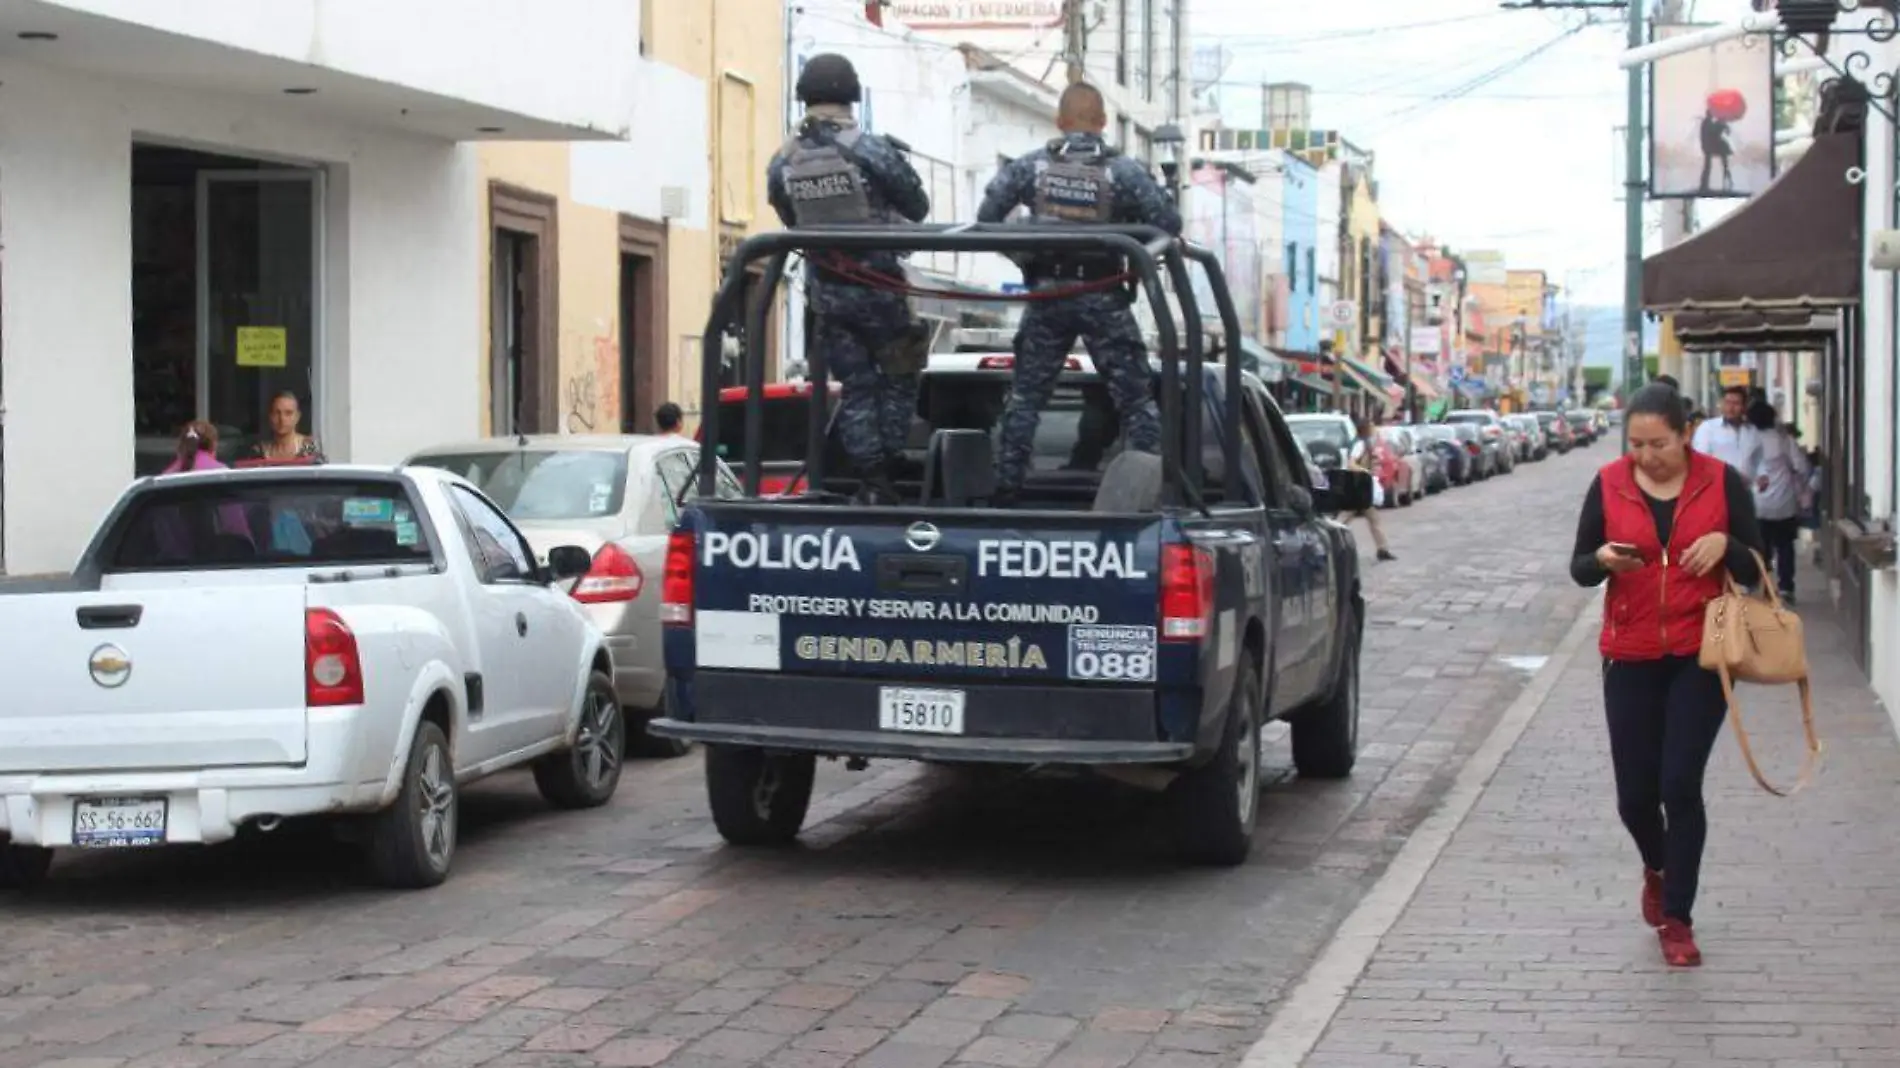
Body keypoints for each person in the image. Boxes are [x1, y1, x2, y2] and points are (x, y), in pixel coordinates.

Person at [1569, 383, 1766, 968]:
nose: (1646, 455)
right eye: (1636, 444)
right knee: (1635, 798)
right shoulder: (1608, 482)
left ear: (1685, 433)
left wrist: (1724, 543)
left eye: (1658, 443)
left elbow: (1756, 565)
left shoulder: (1721, 480)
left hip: (1699, 653)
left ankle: (1678, 918)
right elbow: (1579, 568)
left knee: (1679, 786)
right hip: (1628, 654)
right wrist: (1603, 560)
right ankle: (1657, 867)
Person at [977, 81, 1179, 505]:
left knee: (1027, 398)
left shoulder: (1031, 167)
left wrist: (1026, 256)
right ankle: (1150, 491)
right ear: (1104, 123)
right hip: (1103, 293)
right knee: (1135, 401)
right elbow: (1167, 222)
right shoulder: (1123, 172)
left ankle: (1005, 490)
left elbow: (987, 218)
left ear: (1061, 121)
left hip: (1047, 294)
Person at [766, 53, 930, 504]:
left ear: (805, 99)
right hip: (882, 290)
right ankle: (888, 468)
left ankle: (872, 477)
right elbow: (918, 206)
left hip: (829, 295)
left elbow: (787, 215)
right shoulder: (870, 148)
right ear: (851, 98)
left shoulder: (784, 160)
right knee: (899, 377)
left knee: (856, 386)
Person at [1748, 400, 1811, 604]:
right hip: (1784, 503)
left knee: (1761, 547)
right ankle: (1786, 586)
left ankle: (1763, 584)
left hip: (1757, 504)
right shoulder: (1783, 440)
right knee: (1785, 546)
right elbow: (1802, 467)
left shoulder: (1748, 440)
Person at [1691, 385, 1764, 488]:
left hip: (1745, 491)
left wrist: (1762, 474)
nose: (1731, 408)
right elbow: (1700, 459)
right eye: (1727, 402)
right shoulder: (1708, 428)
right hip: (1717, 489)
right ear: (1721, 404)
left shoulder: (1752, 431)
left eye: (1736, 404)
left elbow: (1759, 458)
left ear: (1744, 406)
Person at [1346, 416, 1395, 563]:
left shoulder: (1364, 443)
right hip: (1358, 486)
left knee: (1373, 519)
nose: (1374, 428)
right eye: (1372, 426)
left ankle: (1383, 549)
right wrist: (1366, 472)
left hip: (1360, 486)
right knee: (1345, 517)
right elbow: (1351, 464)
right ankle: (1330, 541)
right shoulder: (1360, 444)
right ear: (1366, 429)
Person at [249, 391, 325, 462]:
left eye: (288, 413)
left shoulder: (310, 449)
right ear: (270, 416)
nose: (282, 419)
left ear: (297, 417)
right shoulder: (259, 452)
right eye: (277, 413)